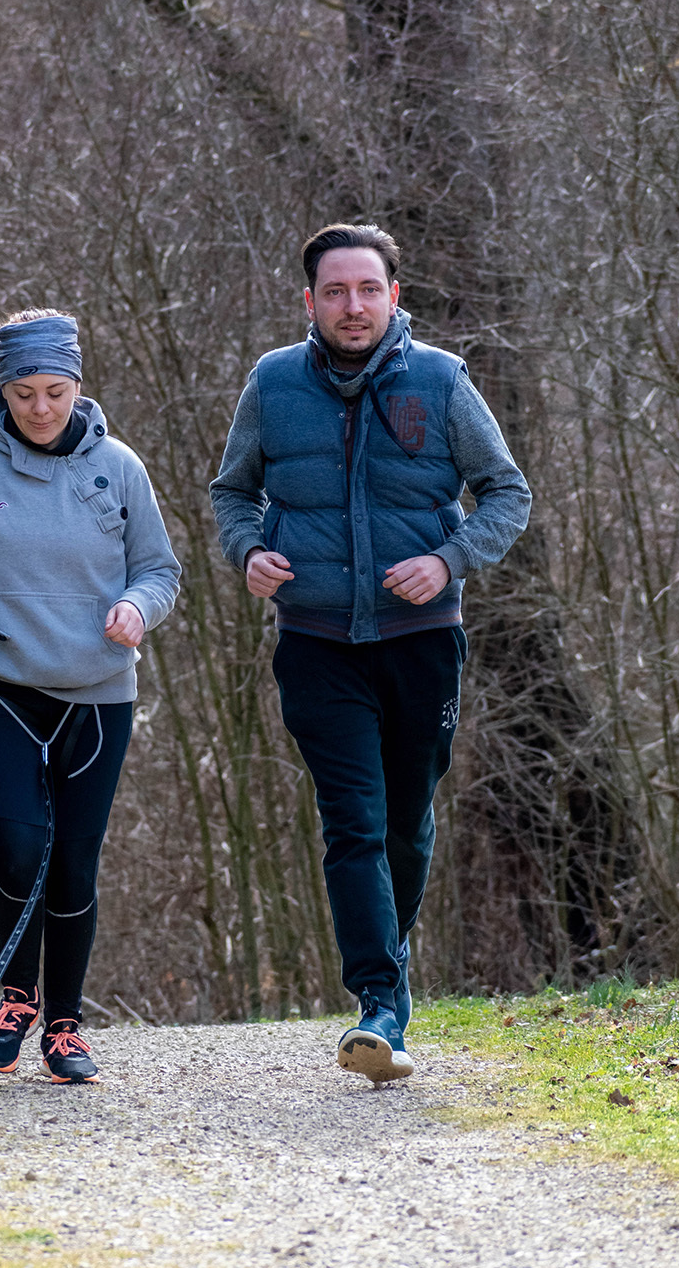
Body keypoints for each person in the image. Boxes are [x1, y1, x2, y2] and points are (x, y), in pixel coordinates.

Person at [210, 223, 531, 1083]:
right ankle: (379, 1004)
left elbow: (508, 491)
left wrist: (449, 557)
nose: (353, 305)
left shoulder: (440, 380)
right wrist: (246, 552)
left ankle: (389, 966)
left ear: (394, 296)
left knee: (406, 821)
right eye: (335, 291)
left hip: (421, 643)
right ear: (308, 301)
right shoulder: (274, 385)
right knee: (352, 820)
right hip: (316, 643)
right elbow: (231, 490)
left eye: (368, 289)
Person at [0, 310, 180, 1083]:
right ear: (2, 391)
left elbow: (161, 570)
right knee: (19, 848)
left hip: (96, 694)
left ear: (78, 387)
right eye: (24, 393)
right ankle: (10, 1000)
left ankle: (64, 1024)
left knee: (75, 863)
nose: (41, 408)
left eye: (55, 391)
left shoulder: (118, 468)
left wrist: (136, 608)